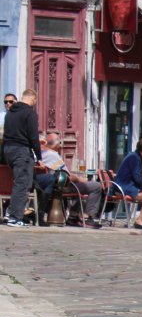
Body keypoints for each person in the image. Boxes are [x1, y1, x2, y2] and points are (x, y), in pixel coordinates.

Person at [35, 131, 103, 227]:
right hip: (61, 185)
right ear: (57, 145)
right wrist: (79, 179)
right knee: (96, 186)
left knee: (81, 185)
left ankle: (73, 216)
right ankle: (87, 217)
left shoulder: (41, 154)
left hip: (52, 183)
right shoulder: (52, 155)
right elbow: (66, 176)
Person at [2, 88, 41, 227]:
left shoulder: (9, 113)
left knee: (20, 182)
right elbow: (33, 137)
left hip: (8, 150)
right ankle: (14, 217)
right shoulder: (29, 113)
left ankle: (11, 212)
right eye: (35, 101)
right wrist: (39, 155)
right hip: (21, 151)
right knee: (22, 183)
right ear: (32, 99)